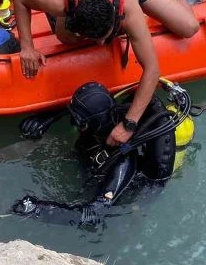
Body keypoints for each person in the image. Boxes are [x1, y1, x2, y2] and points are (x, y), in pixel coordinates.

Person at [12, 0, 200, 148]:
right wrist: (27, 47)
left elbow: (152, 70)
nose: (101, 44)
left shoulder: (129, 11)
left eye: (104, 37)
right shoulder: (61, 2)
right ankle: (81, 28)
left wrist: (129, 125)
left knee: (189, 26)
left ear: (117, 18)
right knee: (65, 37)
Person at [12, 80, 195, 227]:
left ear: (95, 124)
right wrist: (46, 119)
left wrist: (39, 209)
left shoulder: (123, 163)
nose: (76, 126)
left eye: (80, 123)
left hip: (121, 195)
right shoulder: (99, 129)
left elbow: (92, 215)